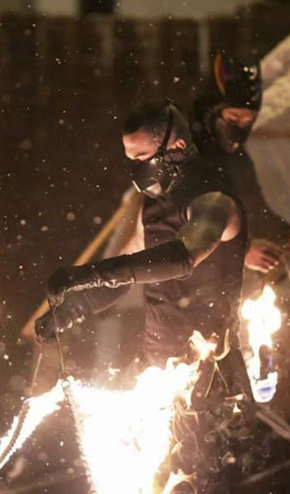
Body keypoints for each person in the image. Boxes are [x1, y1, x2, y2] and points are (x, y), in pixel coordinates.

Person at [36, 101, 256, 493]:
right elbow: (127, 273)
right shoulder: (155, 205)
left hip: (209, 379)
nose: (136, 169)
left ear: (176, 147)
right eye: (130, 159)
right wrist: (74, 308)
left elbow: (181, 257)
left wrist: (86, 274)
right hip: (158, 367)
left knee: (197, 484)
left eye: (142, 158)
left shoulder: (213, 199)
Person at [192, 51, 290, 274]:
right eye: (233, 119)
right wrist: (243, 250)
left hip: (222, 282)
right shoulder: (185, 156)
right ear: (212, 114)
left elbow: (256, 211)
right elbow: (178, 227)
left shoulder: (237, 159)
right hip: (185, 286)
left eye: (249, 121)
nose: (240, 128)